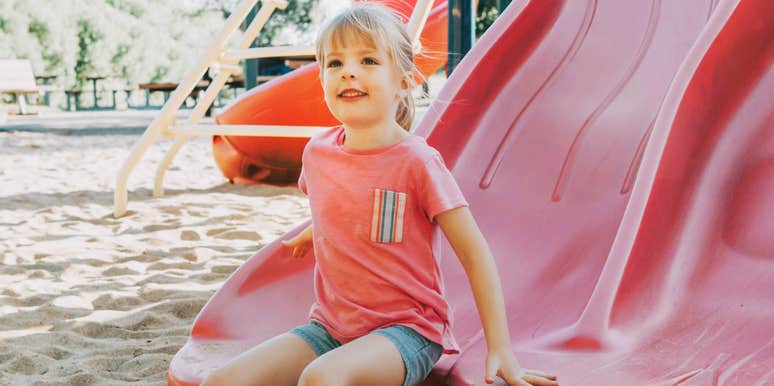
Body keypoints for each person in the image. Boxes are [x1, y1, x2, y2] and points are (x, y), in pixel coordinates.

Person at [202, 3, 558, 386]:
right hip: (331, 327)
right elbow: (342, 206)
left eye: (368, 60)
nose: (348, 71)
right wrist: (313, 232)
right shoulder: (318, 153)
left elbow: (475, 254)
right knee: (222, 382)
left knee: (321, 379)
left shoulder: (417, 162)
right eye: (334, 64)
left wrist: (500, 348)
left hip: (407, 331)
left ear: (403, 82)